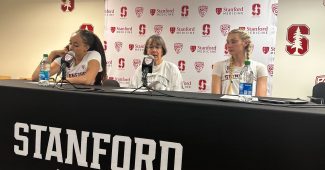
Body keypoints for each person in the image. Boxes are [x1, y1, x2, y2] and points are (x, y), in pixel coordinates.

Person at [31, 29, 107, 85]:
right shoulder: (67, 58)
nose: (71, 48)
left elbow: (87, 80)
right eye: (70, 43)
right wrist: (52, 54)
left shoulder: (93, 55)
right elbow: (36, 77)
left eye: (76, 45)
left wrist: (64, 80)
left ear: (86, 47)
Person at [211, 28, 268, 96]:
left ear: (245, 43)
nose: (229, 45)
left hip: (249, 106)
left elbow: (260, 99)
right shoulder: (219, 66)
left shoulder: (259, 67)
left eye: (233, 42)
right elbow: (215, 98)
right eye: (228, 42)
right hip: (225, 106)